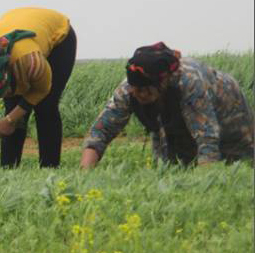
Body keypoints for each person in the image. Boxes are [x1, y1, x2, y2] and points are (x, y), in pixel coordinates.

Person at [81, 42, 254, 168]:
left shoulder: (189, 83)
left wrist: (205, 185)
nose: (140, 94)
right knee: (169, 168)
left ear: (163, 82)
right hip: (168, 109)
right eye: (136, 89)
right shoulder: (128, 89)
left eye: (146, 90)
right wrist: (84, 175)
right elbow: (101, 131)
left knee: (238, 164)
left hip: (227, 107)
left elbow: (207, 137)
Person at [0, 8, 76, 173]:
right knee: (12, 107)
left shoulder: (31, 62)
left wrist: (11, 119)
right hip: (15, 31)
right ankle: (9, 171)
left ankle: (49, 169)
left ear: (7, 78)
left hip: (58, 36)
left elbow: (42, 89)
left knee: (46, 106)